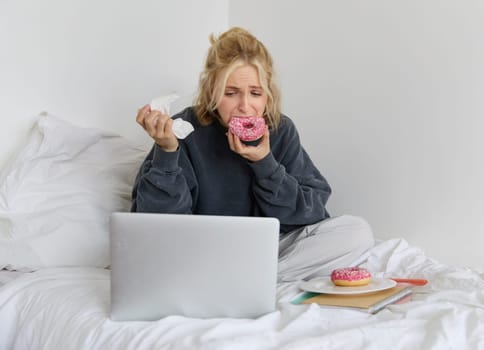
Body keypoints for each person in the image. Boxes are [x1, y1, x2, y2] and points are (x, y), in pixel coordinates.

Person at [131, 27, 374, 282]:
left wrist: (265, 164)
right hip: (205, 251)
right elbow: (156, 225)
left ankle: (241, 279)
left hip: (268, 251)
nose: (245, 107)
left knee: (356, 232)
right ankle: (242, 278)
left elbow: (311, 213)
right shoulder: (183, 129)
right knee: (162, 255)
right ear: (211, 91)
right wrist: (167, 151)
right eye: (231, 93)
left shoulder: (280, 130)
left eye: (255, 93)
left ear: (268, 96)